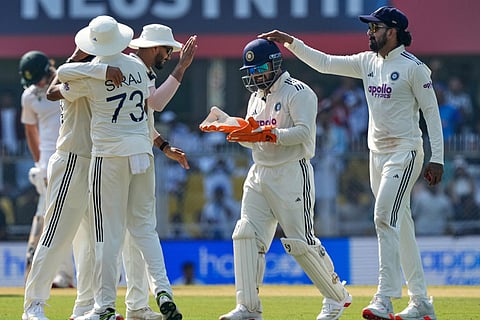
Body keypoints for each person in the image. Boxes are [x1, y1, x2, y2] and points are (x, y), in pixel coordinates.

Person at [259, 5, 444, 320]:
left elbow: (432, 115)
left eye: (375, 28)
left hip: (406, 152)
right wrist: (290, 42)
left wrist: (437, 158)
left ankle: (384, 299)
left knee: (384, 218)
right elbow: (326, 63)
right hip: (377, 154)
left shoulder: (414, 68)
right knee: (402, 227)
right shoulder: (367, 62)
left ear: (393, 31)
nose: (369, 32)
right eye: (369, 28)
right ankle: (422, 302)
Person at [209, 38, 351, 320]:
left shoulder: (299, 93)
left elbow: (303, 134)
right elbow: (254, 139)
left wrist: (270, 134)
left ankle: (337, 297)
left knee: (300, 242)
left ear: (275, 64)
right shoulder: (256, 97)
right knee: (246, 234)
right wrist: (233, 126)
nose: (255, 76)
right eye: (251, 71)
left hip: (291, 172)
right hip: (259, 172)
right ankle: (248, 308)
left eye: (260, 69)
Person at [51, 15, 154, 320]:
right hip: (113, 157)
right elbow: (56, 84)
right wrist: (99, 69)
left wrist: (95, 69)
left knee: (102, 239)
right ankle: (101, 306)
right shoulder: (128, 68)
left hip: (102, 159)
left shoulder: (90, 73)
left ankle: (100, 307)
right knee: (109, 238)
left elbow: (61, 76)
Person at [22, 50, 124, 320]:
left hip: (96, 162)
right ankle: (33, 305)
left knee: (91, 241)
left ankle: (86, 306)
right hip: (71, 160)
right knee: (55, 234)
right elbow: (54, 90)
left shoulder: (99, 71)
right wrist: (86, 62)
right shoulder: (76, 72)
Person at [120, 23, 196, 320]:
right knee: (134, 231)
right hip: (124, 157)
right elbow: (157, 103)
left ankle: (136, 306)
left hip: (126, 154)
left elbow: (144, 120)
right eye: (167, 50)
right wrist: (183, 67)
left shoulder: (140, 69)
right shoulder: (134, 68)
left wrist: (164, 146)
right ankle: (102, 304)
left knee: (132, 235)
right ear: (153, 47)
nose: (168, 56)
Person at [18, 50, 75, 288]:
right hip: (49, 166)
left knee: (75, 219)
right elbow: (31, 131)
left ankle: (71, 276)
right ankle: (62, 277)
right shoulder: (29, 96)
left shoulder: (67, 79)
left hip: (73, 155)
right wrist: (40, 162)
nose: (37, 85)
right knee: (50, 220)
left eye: (40, 79)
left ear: (48, 70)